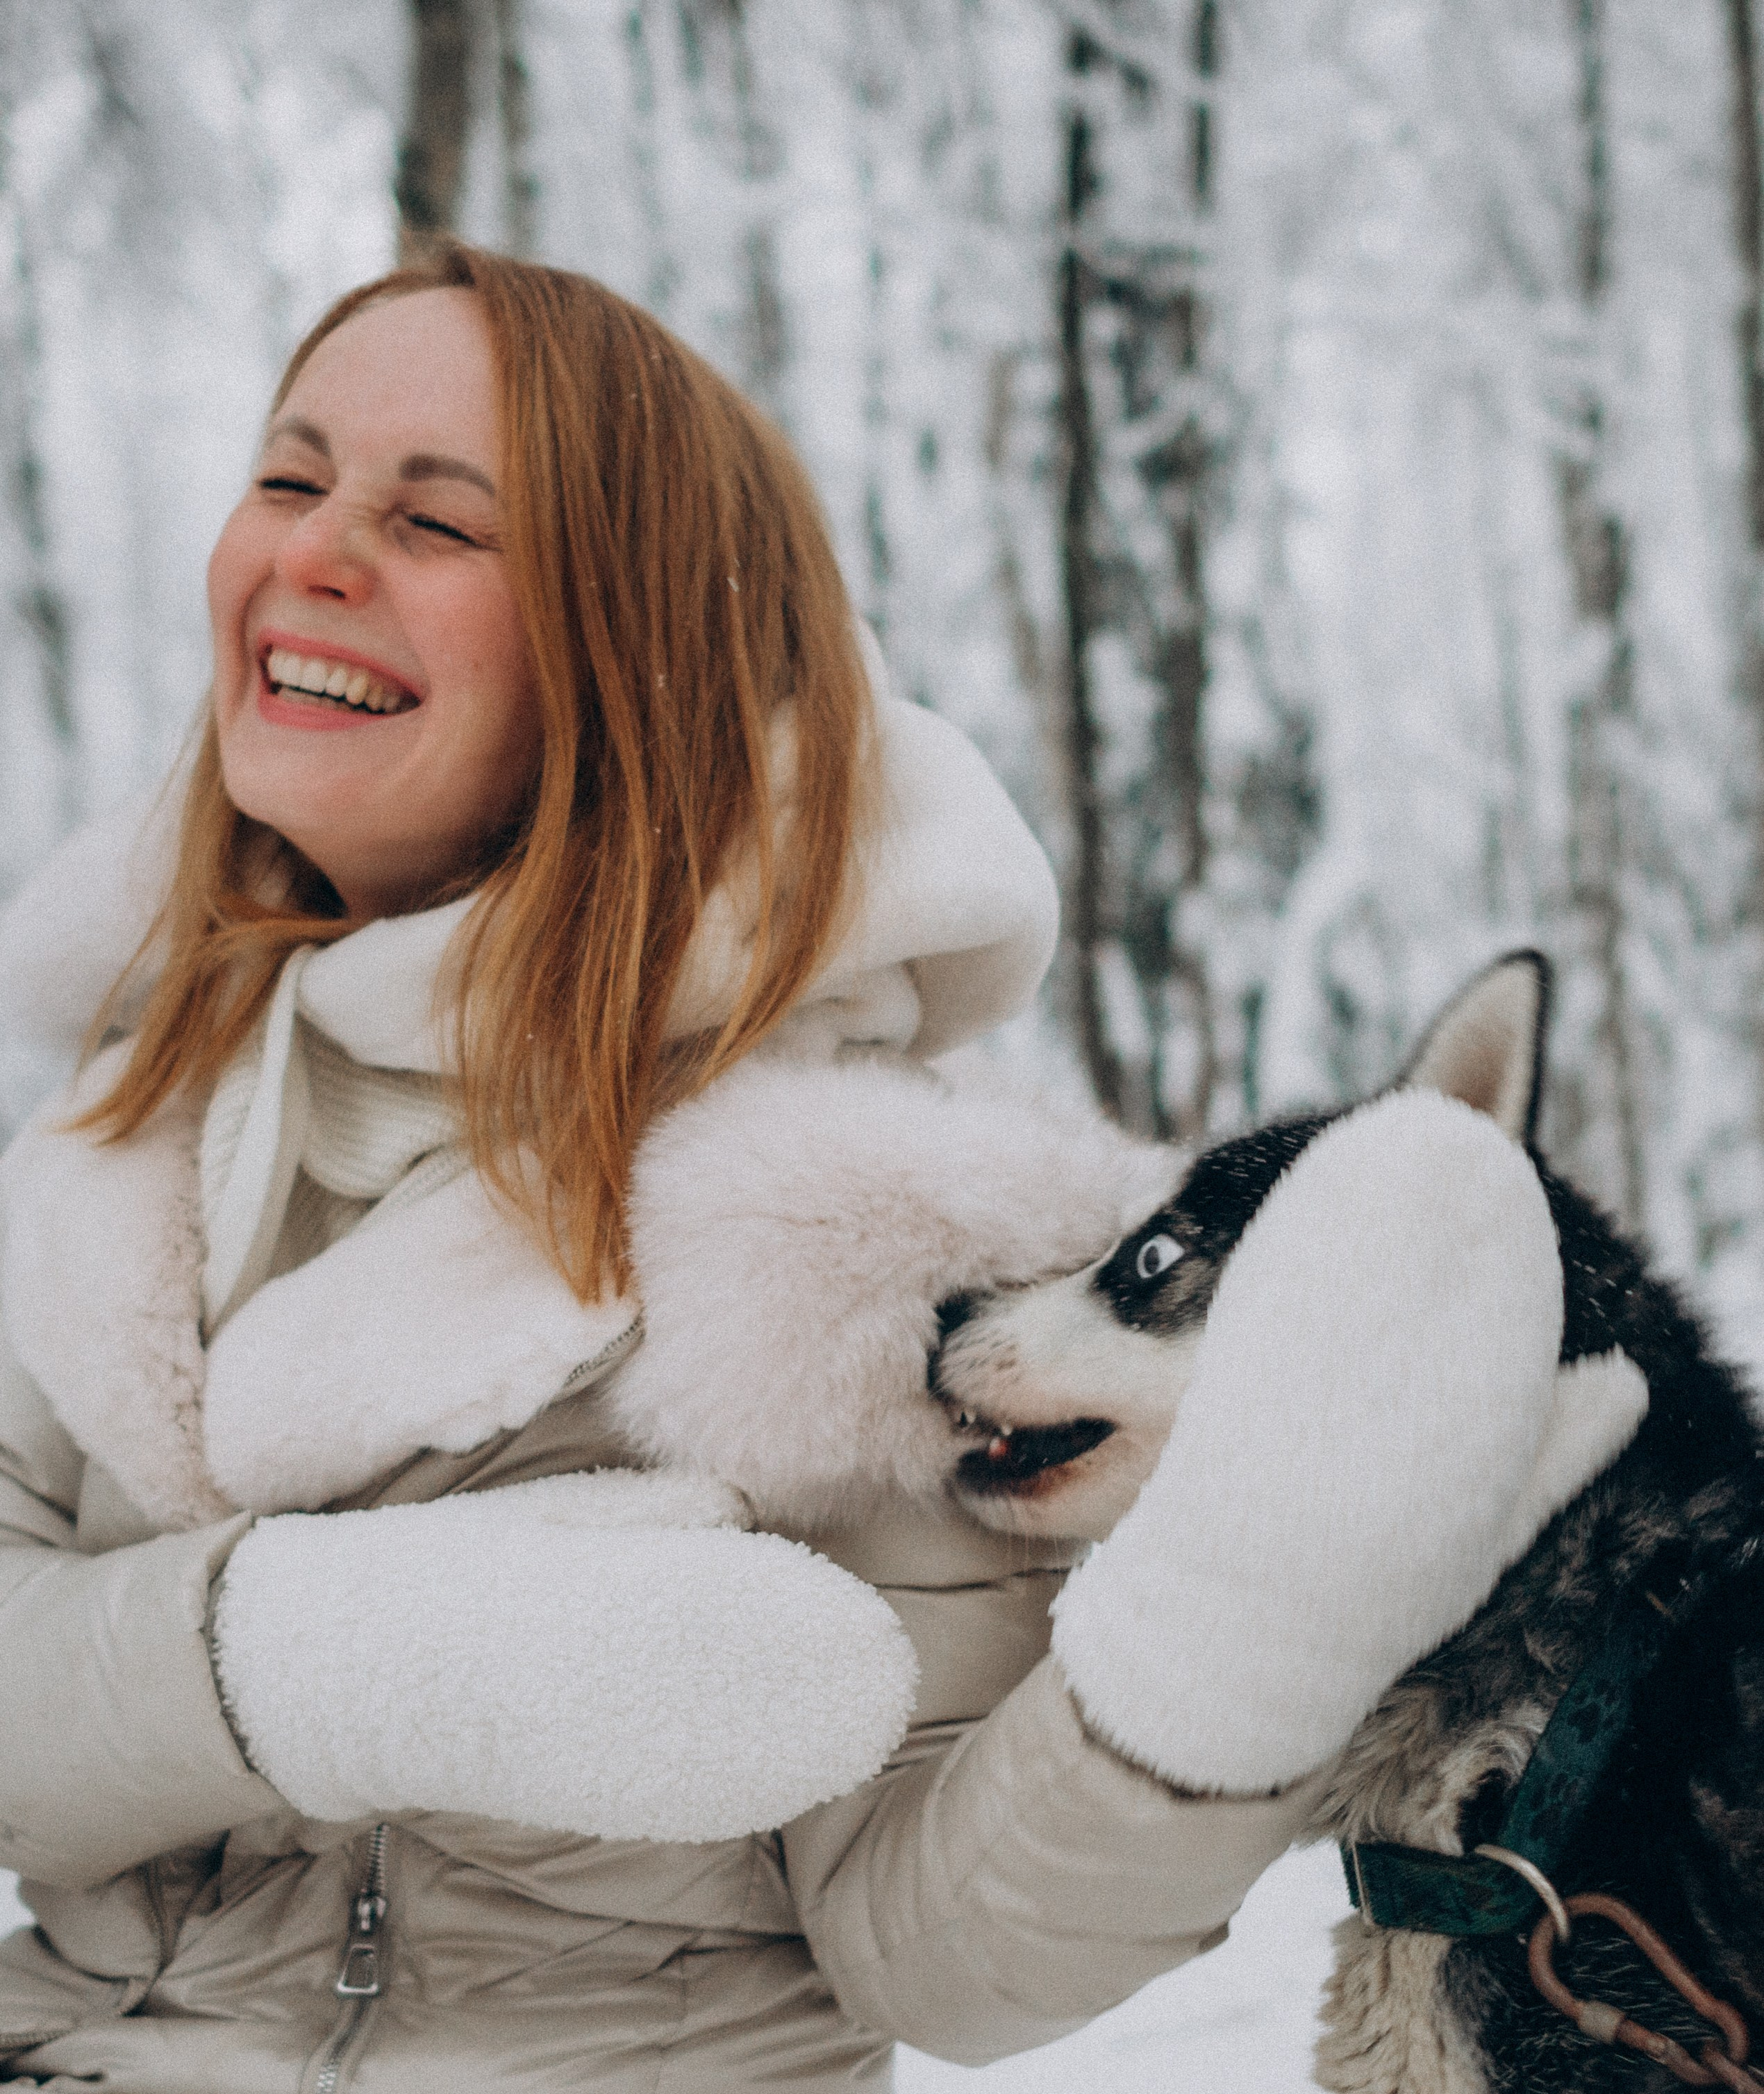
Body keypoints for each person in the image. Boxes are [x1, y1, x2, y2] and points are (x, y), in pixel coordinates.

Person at [0, 243, 1641, 2091]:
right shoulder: (118, 1145)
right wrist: (327, 1652)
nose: (311, 551)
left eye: (438, 522)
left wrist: (1229, 1646)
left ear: (633, 651)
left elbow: (930, 1949)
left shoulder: (843, 1221)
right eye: (289, 478)